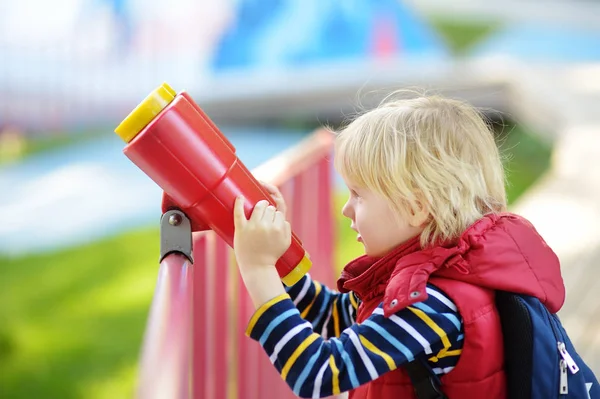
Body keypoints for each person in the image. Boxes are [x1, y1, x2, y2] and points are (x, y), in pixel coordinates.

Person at [232, 93, 565, 399]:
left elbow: (318, 373)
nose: (346, 209)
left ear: (415, 207)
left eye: (358, 195)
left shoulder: (429, 304)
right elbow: (334, 317)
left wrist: (258, 269)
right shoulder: (423, 275)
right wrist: (277, 257)